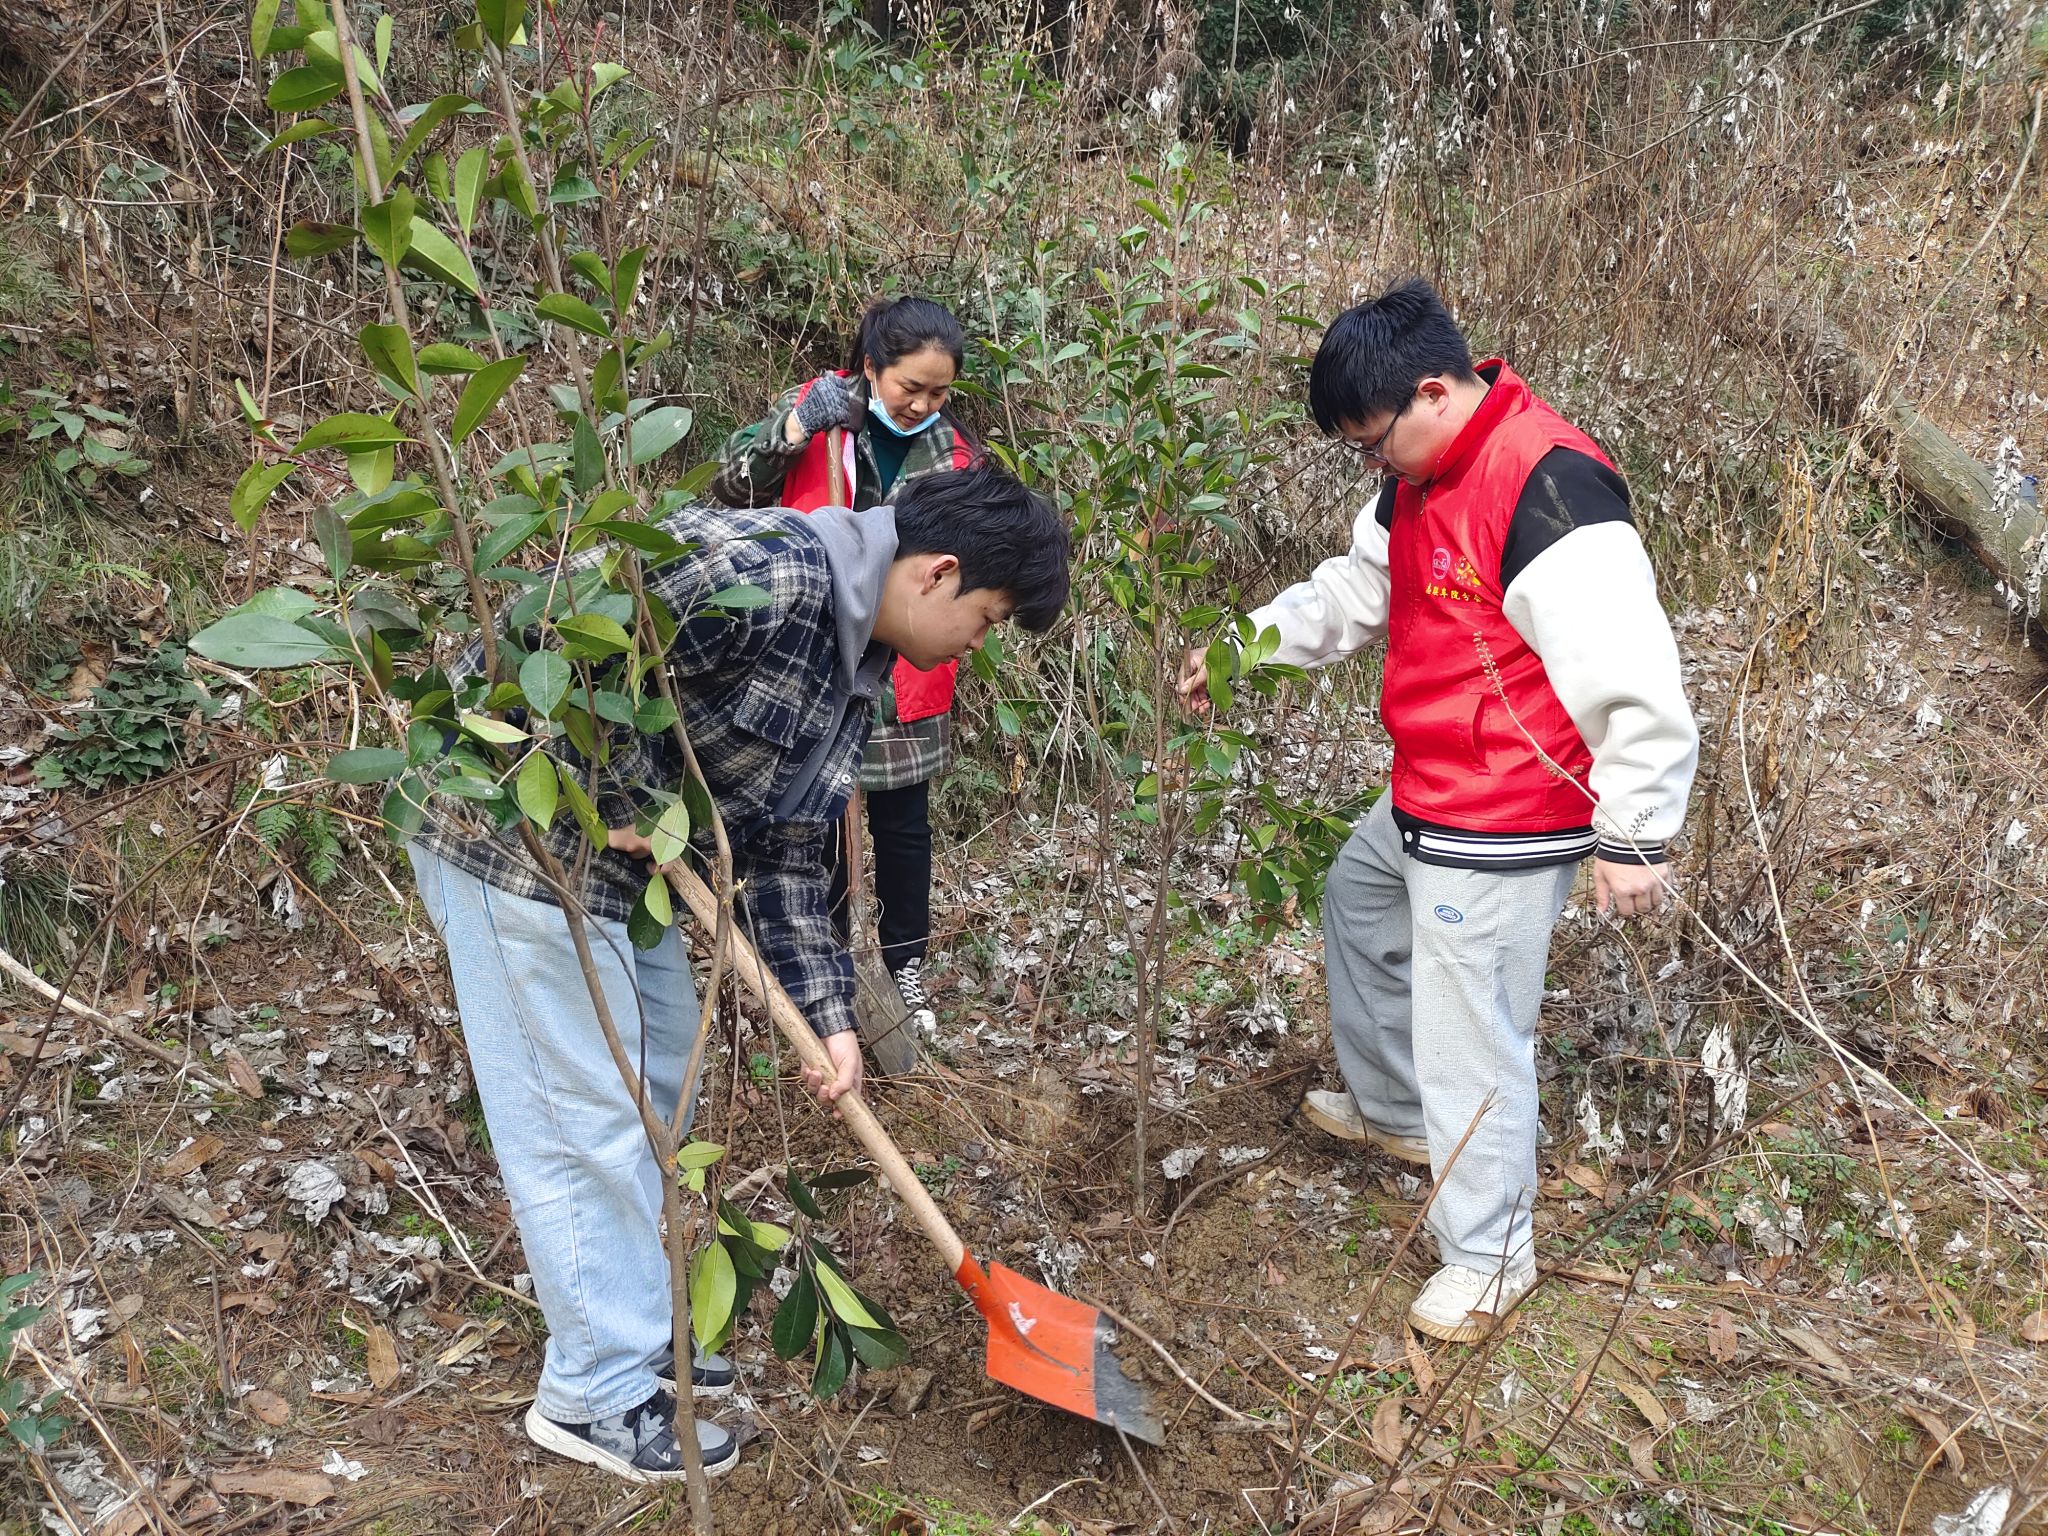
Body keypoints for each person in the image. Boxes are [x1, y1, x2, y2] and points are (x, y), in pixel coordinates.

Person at [410, 464, 1070, 1481]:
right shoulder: (765, 571)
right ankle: (593, 1391)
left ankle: (638, 1325)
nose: (975, 645)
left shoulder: (853, 662)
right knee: (580, 1113)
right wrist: (628, 787)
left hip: (620, 879)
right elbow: (553, 635)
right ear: (937, 574)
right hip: (515, 843)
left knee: (660, 1077)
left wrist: (828, 1015)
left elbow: (789, 853)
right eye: (984, 620)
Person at [1179, 278, 1698, 1343]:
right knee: (1358, 899)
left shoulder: (1547, 486)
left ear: (1430, 392)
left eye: (1373, 443)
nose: (1371, 465)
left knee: (1473, 1036)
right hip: (1434, 780)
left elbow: (1632, 669)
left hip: (1508, 807)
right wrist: (1243, 648)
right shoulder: (1414, 481)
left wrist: (1636, 830)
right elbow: (1353, 593)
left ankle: (1491, 1255)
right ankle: (1397, 1111)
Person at [710, 296, 974, 1039]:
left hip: (902, 672)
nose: (922, 405)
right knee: (810, 821)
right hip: (810, 652)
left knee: (902, 826)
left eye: (939, 393)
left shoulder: (954, 456)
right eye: (910, 387)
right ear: (870, 367)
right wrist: (796, 429)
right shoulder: (816, 411)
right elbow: (729, 490)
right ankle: (815, 974)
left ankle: (902, 964)